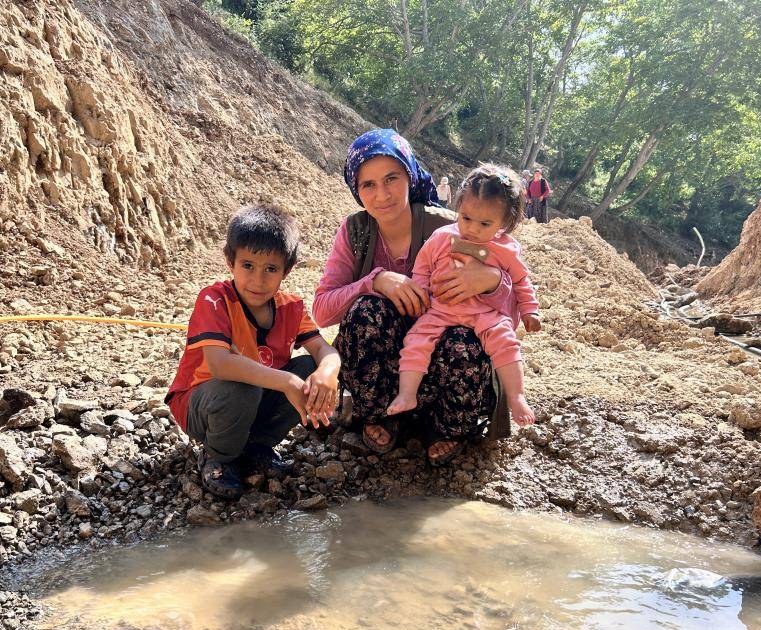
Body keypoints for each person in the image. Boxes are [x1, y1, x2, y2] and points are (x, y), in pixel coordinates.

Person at [313, 128, 514, 466]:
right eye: (368, 185)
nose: (382, 195)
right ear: (356, 190)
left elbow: (511, 313)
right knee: (367, 310)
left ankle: (445, 426)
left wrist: (492, 280)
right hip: (386, 374)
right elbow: (322, 311)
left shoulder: (452, 228)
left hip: (442, 368)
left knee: (465, 337)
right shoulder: (356, 232)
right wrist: (374, 281)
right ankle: (382, 416)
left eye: (391, 178)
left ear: (410, 175)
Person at [166, 204, 341, 499]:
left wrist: (327, 373)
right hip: (203, 403)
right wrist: (287, 382)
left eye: (270, 269)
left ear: (287, 269)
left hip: (252, 397)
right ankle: (217, 455)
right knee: (243, 386)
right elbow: (220, 365)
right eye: (248, 265)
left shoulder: (290, 306)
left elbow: (324, 350)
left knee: (310, 367)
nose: (258, 280)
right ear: (230, 261)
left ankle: (257, 445)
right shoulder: (215, 300)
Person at [387, 164, 540, 425]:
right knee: (416, 341)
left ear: (505, 223)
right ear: (458, 208)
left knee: (506, 344)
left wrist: (530, 310)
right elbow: (422, 268)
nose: (473, 229)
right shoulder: (441, 238)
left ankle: (516, 396)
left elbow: (521, 281)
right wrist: (421, 293)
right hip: (440, 309)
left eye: (485, 223)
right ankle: (407, 394)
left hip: (486, 314)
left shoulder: (505, 249)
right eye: (466, 218)